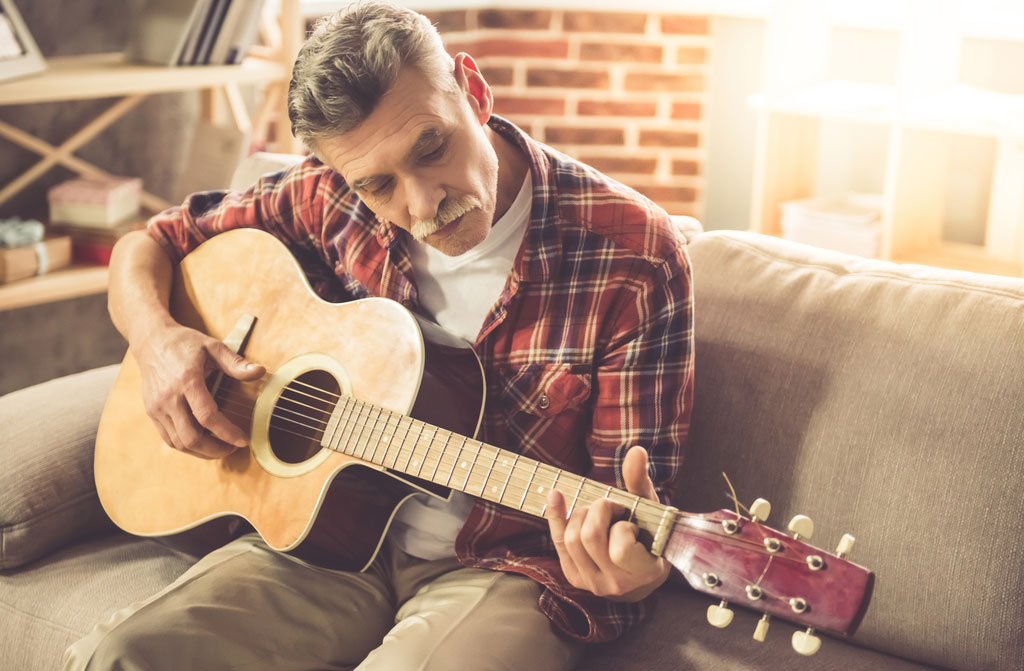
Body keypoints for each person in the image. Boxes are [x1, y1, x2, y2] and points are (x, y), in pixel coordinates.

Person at [65, 1, 693, 669]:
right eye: (379, 184)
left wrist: (632, 566)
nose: (423, 205)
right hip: (319, 542)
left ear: (473, 91)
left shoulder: (633, 253)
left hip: (502, 566)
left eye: (432, 147)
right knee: (123, 655)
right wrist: (159, 342)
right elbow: (152, 241)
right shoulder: (326, 197)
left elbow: (628, 508)